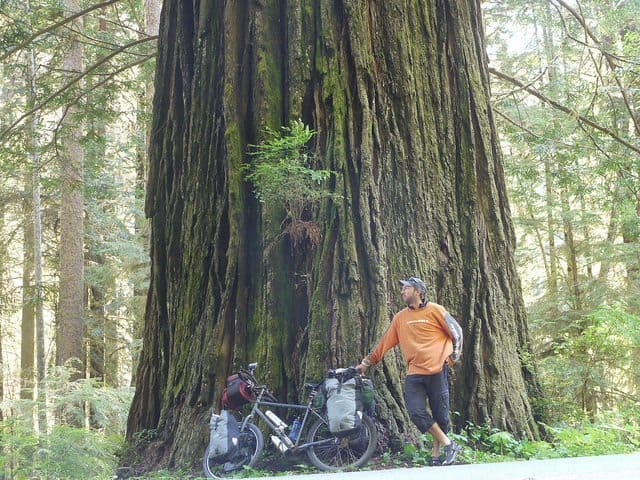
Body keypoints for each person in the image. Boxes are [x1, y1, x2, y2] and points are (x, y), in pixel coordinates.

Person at [356, 276, 463, 466]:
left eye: (406, 288)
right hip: (415, 373)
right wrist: (367, 361)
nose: (402, 291)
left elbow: (456, 330)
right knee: (415, 412)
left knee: (441, 415)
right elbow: (384, 342)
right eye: (402, 288)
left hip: (438, 369)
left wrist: (456, 353)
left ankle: (437, 455)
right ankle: (449, 444)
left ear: (418, 291)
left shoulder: (435, 310)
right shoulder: (400, 318)